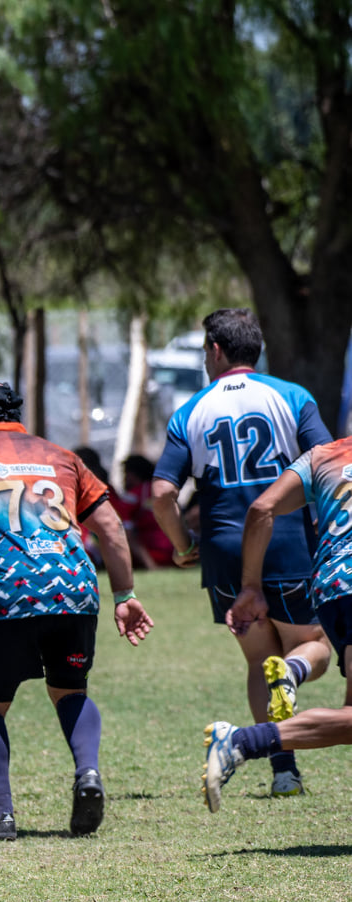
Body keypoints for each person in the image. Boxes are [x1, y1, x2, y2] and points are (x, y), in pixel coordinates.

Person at [0, 379, 154, 840]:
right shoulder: (62, 456)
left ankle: (0, 815)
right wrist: (125, 596)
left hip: (10, 593)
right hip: (76, 591)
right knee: (70, 690)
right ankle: (88, 774)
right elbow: (111, 527)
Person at [150, 308, 333, 798]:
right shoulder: (292, 397)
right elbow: (328, 463)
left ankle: (283, 771)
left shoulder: (190, 410)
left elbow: (162, 492)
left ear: (215, 350)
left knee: (257, 660)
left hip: (225, 550)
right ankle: (293, 674)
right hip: (289, 542)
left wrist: (183, 545)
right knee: (312, 642)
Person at [204, 431, 352, 808]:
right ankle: (242, 742)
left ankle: (246, 740)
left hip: (334, 584)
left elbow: (261, 509)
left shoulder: (324, 455)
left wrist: (250, 586)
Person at [115, 454, 177, 569]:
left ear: (133, 474)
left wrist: (150, 566)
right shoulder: (164, 491)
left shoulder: (133, 496)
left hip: (153, 554)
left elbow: (126, 533)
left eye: (125, 474)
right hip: (175, 552)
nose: (124, 479)